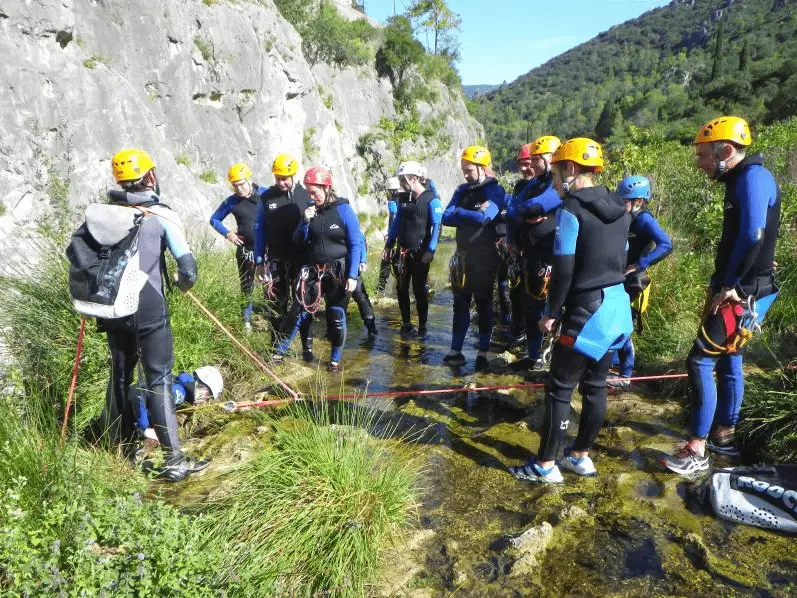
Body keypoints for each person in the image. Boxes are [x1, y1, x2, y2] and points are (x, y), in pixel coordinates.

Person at [509, 138, 632, 483]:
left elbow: (564, 267)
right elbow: (620, 257)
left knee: (559, 387)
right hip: (616, 306)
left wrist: (551, 311)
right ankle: (580, 456)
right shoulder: (620, 207)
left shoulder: (570, 210)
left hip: (586, 310)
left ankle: (545, 465)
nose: (556, 182)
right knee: (594, 386)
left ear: (571, 170)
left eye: (557, 174)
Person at [662, 116, 780, 475]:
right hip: (749, 288)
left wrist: (729, 284)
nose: (699, 164)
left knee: (700, 360)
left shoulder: (752, 178)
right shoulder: (745, 179)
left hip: (742, 293)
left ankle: (697, 449)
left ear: (725, 150)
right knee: (730, 358)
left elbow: (754, 235)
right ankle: (723, 436)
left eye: (702, 156)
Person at [101, 149, 208, 482]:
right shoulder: (160, 213)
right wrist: (182, 282)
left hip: (114, 308)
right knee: (159, 379)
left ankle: (122, 447)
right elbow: (187, 268)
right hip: (148, 307)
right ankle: (173, 460)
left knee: (120, 373)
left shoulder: (105, 213)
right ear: (150, 177)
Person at [273, 167, 362, 372]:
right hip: (313, 269)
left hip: (338, 270)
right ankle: (279, 352)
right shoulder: (309, 210)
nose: (311, 196)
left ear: (326, 187)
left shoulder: (344, 210)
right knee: (299, 310)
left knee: (336, 316)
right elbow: (298, 242)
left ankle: (334, 361)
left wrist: (352, 275)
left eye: (314, 192)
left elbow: (355, 243)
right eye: (308, 192)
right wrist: (305, 222)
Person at [441, 146, 507, 372]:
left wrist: (460, 213)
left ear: (482, 168)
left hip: (485, 257)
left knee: (483, 303)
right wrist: (466, 214)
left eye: (469, 170)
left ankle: (483, 351)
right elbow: (445, 217)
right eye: (463, 170)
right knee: (460, 303)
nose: (465, 175)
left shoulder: (495, 191)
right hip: (463, 256)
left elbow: (485, 218)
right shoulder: (462, 190)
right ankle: (456, 349)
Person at [609, 175, 673, 387]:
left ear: (638, 201)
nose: (621, 204)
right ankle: (613, 367)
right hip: (620, 277)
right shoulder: (627, 216)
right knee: (612, 322)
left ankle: (625, 375)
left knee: (623, 326)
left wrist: (641, 263)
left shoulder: (644, 219)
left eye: (624, 201)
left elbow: (666, 244)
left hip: (635, 281)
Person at [507, 136, 563, 371]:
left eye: (538, 160)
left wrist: (525, 212)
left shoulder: (556, 184)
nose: (533, 165)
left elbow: (534, 206)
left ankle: (548, 357)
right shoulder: (535, 183)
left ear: (550, 159)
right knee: (531, 307)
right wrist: (524, 213)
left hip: (549, 258)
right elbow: (513, 208)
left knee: (549, 309)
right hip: (530, 255)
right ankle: (533, 355)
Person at [253, 154, 313, 359]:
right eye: (278, 178)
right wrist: (259, 261)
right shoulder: (266, 197)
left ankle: (307, 348)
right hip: (276, 259)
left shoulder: (306, 196)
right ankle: (276, 348)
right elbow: (259, 230)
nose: (281, 182)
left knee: (302, 302)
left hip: (301, 258)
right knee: (276, 303)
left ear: (293, 175)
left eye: (285, 178)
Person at [385, 160, 443, 339]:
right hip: (403, 253)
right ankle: (406, 324)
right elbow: (396, 223)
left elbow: (437, 226)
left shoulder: (431, 200)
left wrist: (431, 250)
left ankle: (423, 326)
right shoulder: (403, 199)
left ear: (412, 179)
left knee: (419, 290)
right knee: (401, 289)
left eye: (402, 180)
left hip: (420, 253)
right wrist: (389, 245)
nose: (400, 184)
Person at [209, 163, 263, 331]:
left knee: (272, 286)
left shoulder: (264, 193)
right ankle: (246, 323)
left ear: (249, 180)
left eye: (242, 184)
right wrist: (228, 234)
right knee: (247, 287)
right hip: (246, 250)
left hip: (267, 250)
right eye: (235, 185)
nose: (239, 189)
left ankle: (275, 320)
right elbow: (214, 219)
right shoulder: (232, 201)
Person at [135, 366, 224, 444]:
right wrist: (144, 430)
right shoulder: (180, 393)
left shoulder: (184, 393)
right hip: (130, 408)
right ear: (204, 390)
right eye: (208, 397)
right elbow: (140, 395)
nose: (206, 401)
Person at [377, 176, 404, 293]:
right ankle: (401, 287)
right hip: (405, 235)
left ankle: (380, 288)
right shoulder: (406, 198)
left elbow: (393, 218)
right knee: (400, 262)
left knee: (386, 260)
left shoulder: (393, 201)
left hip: (395, 235)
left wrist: (389, 234)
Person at [352, 230, 378, 338]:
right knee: (333, 299)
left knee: (361, 296)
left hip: (352, 264)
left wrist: (363, 259)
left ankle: (372, 329)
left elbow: (361, 238)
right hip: (331, 267)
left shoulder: (346, 214)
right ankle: (332, 332)